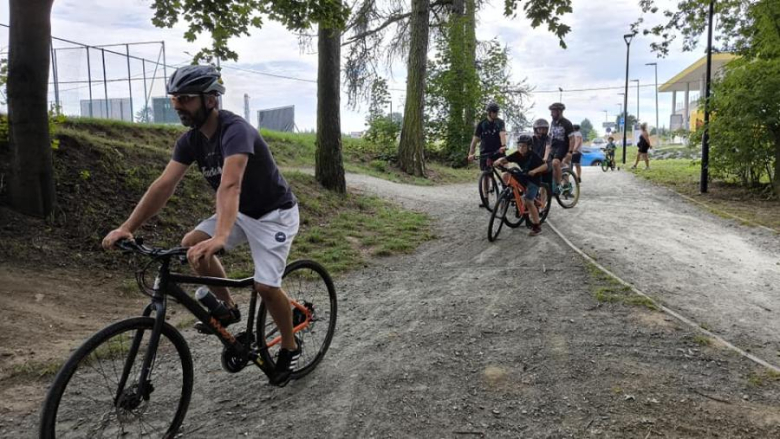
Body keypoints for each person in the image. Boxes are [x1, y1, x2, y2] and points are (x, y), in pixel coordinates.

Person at [101, 65, 301, 387]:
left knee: (265, 286)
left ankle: (290, 347)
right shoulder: (191, 140)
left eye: (185, 99)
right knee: (193, 244)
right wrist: (128, 227)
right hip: (239, 212)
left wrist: (221, 235)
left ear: (210, 99)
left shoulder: (236, 130)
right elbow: (164, 185)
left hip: (273, 214)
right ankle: (228, 308)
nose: (177, 105)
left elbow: (230, 185)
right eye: (174, 98)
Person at [492, 133, 548, 236]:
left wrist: (534, 171)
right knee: (506, 175)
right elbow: (505, 159)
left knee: (529, 201)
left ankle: (537, 226)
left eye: (524, 146)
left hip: (533, 180)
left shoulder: (533, 156)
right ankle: (509, 196)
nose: (521, 148)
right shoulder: (517, 154)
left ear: (529, 147)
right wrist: (498, 161)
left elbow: (545, 166)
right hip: (524, 176)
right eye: (520, 145)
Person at [468, 102, 507, 207]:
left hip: (499, 151)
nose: (496, 114)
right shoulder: (482, 124)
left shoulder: (500, 122)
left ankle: (505, 193)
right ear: (489, 112)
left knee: (505, 170)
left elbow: (502, 134)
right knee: (486, 175)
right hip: (485, 152)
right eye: (494, 112)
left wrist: (503, 145)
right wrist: (471, 153)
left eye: (497, 112)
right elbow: (475, 140)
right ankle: (485, 199)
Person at [548, 103, 575, 194]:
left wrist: (570, 152)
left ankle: (559, 185)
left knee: (556, 163)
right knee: (547, 165)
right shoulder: (552, 123)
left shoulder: (567, 123)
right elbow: (550, 136)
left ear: (559, 112)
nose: (551, 114)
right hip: (554, 146)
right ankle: (558, 185)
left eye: (553, 112)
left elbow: (572, 139)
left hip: (563, 146)